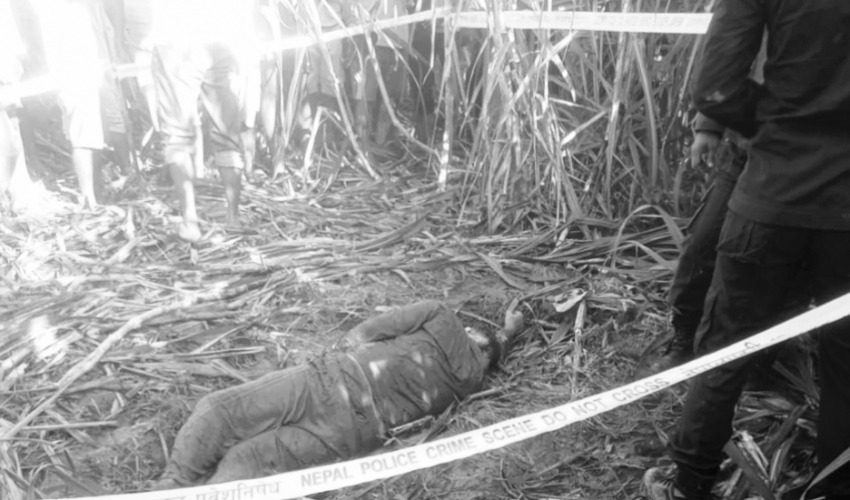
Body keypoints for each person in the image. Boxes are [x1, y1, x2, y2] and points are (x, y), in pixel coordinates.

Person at [642, 1, 850, 499]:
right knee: (846, 360)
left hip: (773, 192)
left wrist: (779, 123)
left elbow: (716, 86)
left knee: (727, 346)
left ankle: (689, 482)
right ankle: (835, 486)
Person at [154, 300, 524, 486]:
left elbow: (368, 331)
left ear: (471, 331)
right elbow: (494, 349)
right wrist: (509, 334)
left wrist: (337, 351)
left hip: (335, 381)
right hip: (353, 434)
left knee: (219, 411)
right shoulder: (473, 382)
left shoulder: (441, 315)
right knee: (247, 460)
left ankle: (171, 487)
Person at [149, 0, 259, 242]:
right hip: (218, 37)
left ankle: (190, 221)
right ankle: (233, 217)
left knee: (178, 136)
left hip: (174, 39)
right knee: (225, 132)